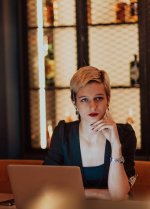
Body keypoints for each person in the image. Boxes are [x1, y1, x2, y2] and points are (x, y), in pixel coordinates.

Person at [44, 66, 137, 200]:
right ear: (74, 101)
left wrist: (116, 146)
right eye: (84, 99)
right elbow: (47, 185)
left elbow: (118, 195)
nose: (92, 106)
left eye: (98, 98)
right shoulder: (63, 133)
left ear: (108, 99)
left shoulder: (124, 134)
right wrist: (98, 193)